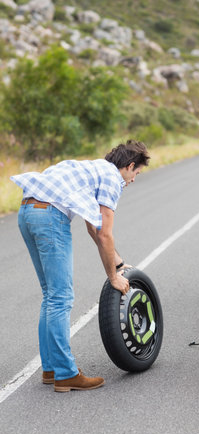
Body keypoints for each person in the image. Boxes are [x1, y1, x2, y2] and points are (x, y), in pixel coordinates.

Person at [10, 140, 150, 393]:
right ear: (129, 166)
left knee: (51, 296)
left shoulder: (94, 168)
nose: (133, 180)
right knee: (61, 297)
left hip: (28, 210)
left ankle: (51, 368)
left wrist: (117, 263)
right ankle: (66, 374)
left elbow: (92, 226)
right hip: (50, 216)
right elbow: (105, 233)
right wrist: (113, 277)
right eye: (136, 173)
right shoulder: (112, 179)